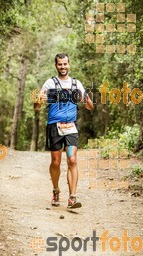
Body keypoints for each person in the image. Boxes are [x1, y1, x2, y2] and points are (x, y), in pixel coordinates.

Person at [39, 53, 93, 209]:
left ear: (69, 64)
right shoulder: (49, 83)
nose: (63, 67)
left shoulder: (76, 84)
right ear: (56, 66)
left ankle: (72, 197)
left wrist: (88, 102)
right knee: (55, 162)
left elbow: (89, 106)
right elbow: (37, 107)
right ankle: (56, 190)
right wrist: (38, 100)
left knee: (72, 160)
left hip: (71, 127)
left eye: (65, 64)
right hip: (54, 126)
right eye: (60, 64)